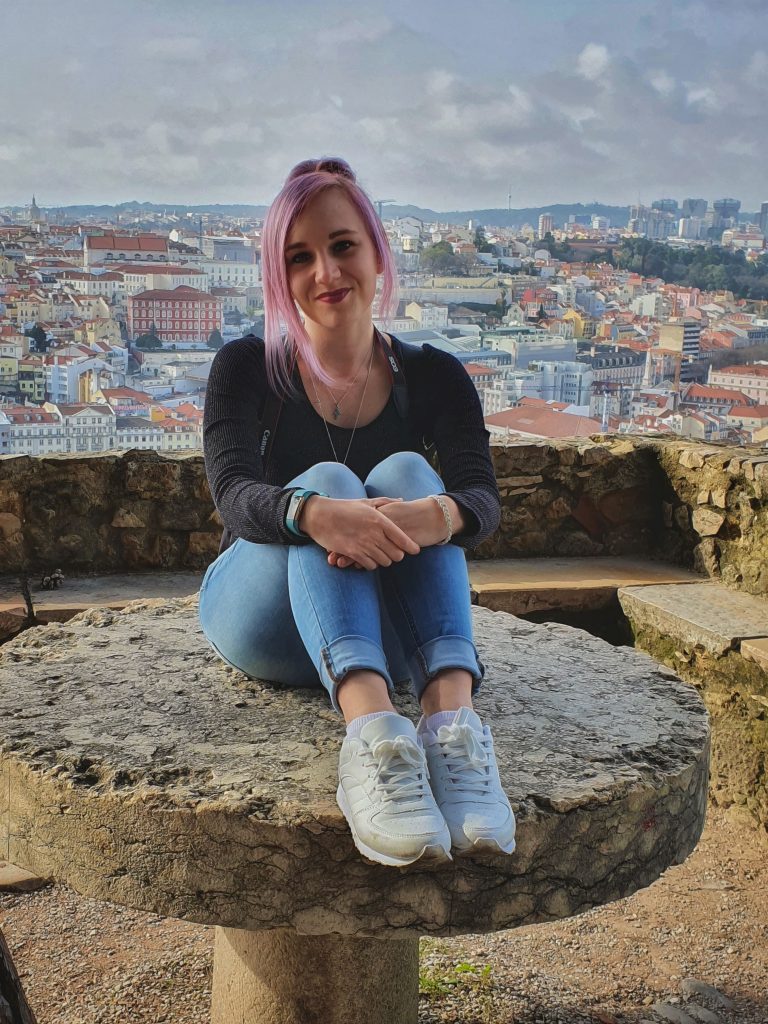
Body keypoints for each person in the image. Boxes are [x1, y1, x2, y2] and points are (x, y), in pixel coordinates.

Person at [200, 157, 515, 868]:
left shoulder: (434, 376)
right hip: (260, 614)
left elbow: (481, 499)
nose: (326, 272)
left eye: (343, 246)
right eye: (299, 257)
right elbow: (233, 495)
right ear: (279, 278)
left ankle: (449, 727)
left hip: (384, 626)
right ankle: (373, 734)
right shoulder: (247, 368)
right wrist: (315, 513)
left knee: (410, 475)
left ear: (378, 253)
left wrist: (438, 516)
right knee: (331, 477)